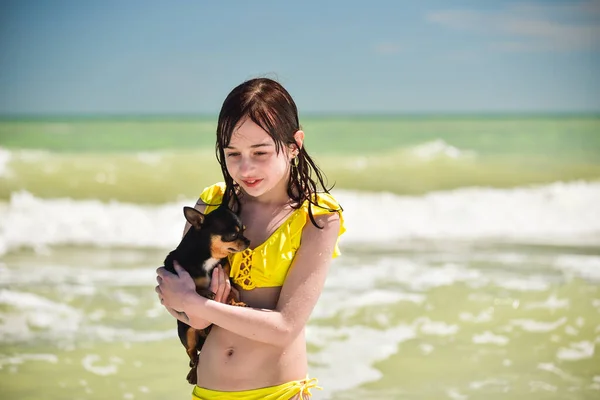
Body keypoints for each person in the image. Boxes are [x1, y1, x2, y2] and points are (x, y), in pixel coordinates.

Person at [155, 77, 345, 400]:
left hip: (278, 393)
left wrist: (196, 304)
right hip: (208, 393)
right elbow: (173, 290)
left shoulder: (316, 217)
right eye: (233, 154)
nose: (245, 168)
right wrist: (192, 309)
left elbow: (285, 327)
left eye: (260, 152)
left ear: (293, 145)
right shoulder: (213, 206)